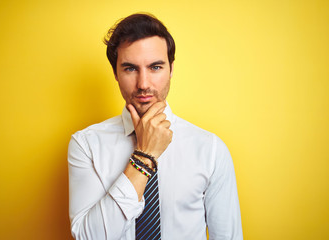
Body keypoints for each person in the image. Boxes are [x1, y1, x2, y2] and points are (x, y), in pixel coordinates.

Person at [68, 13, 243, 240]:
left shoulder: (210, 150)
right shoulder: (86, 145)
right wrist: (144, 155)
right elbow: (87, 237)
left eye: (155, 67)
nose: (143, 84)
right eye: (130, 68)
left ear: (171, 69)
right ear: (115, 73)